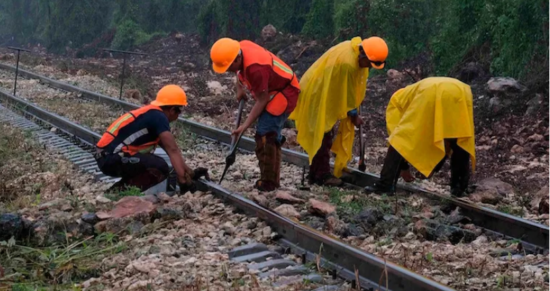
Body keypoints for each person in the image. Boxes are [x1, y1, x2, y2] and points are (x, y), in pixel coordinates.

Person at [290, 36, 388, 186]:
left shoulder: (353, 48)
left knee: (324, 134)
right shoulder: (348, 65)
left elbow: (351, 88)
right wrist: (354, 115)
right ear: (363, 55)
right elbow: (347, 97)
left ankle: (315, 174)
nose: (367, 67)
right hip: (317, 93)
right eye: (369, 63)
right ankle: (322, 176)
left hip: (325, 90)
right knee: (322, 135)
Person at [210, 38, 300, 191]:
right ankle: (272, 179)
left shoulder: (256, 68)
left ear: (237, 59)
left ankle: (269, 183)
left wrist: (244, 126)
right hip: (272, 87)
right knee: (268, 134)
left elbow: (262, 99)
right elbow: (238, 72)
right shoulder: (238, 48)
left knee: (265, 134)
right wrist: (239, 88)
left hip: (284, 91)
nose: (228, 70)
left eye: (229, 67)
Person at [365, 77, 475, 197]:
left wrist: (404, 168)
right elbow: (443, 139)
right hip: (462, 91)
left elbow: (400, 142)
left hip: (432, 92)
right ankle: (459, 189)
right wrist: (431, 168)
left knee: (399, 139)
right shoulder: (411, 94)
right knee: (458, 137)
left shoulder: (395, 104)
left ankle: (384, 185)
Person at [95, 85, 195, 193]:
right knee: (159, 167)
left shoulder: (153, 115)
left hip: (108, 157)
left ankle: (116, 192)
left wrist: (187, 170)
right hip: (110, 159)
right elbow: (173, 150)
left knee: (154, 163)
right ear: (172, 110)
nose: (178, 116)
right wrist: (183, 181)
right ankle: (118, 193)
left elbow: (171, 150)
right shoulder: (159, 117)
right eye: (179, 111)